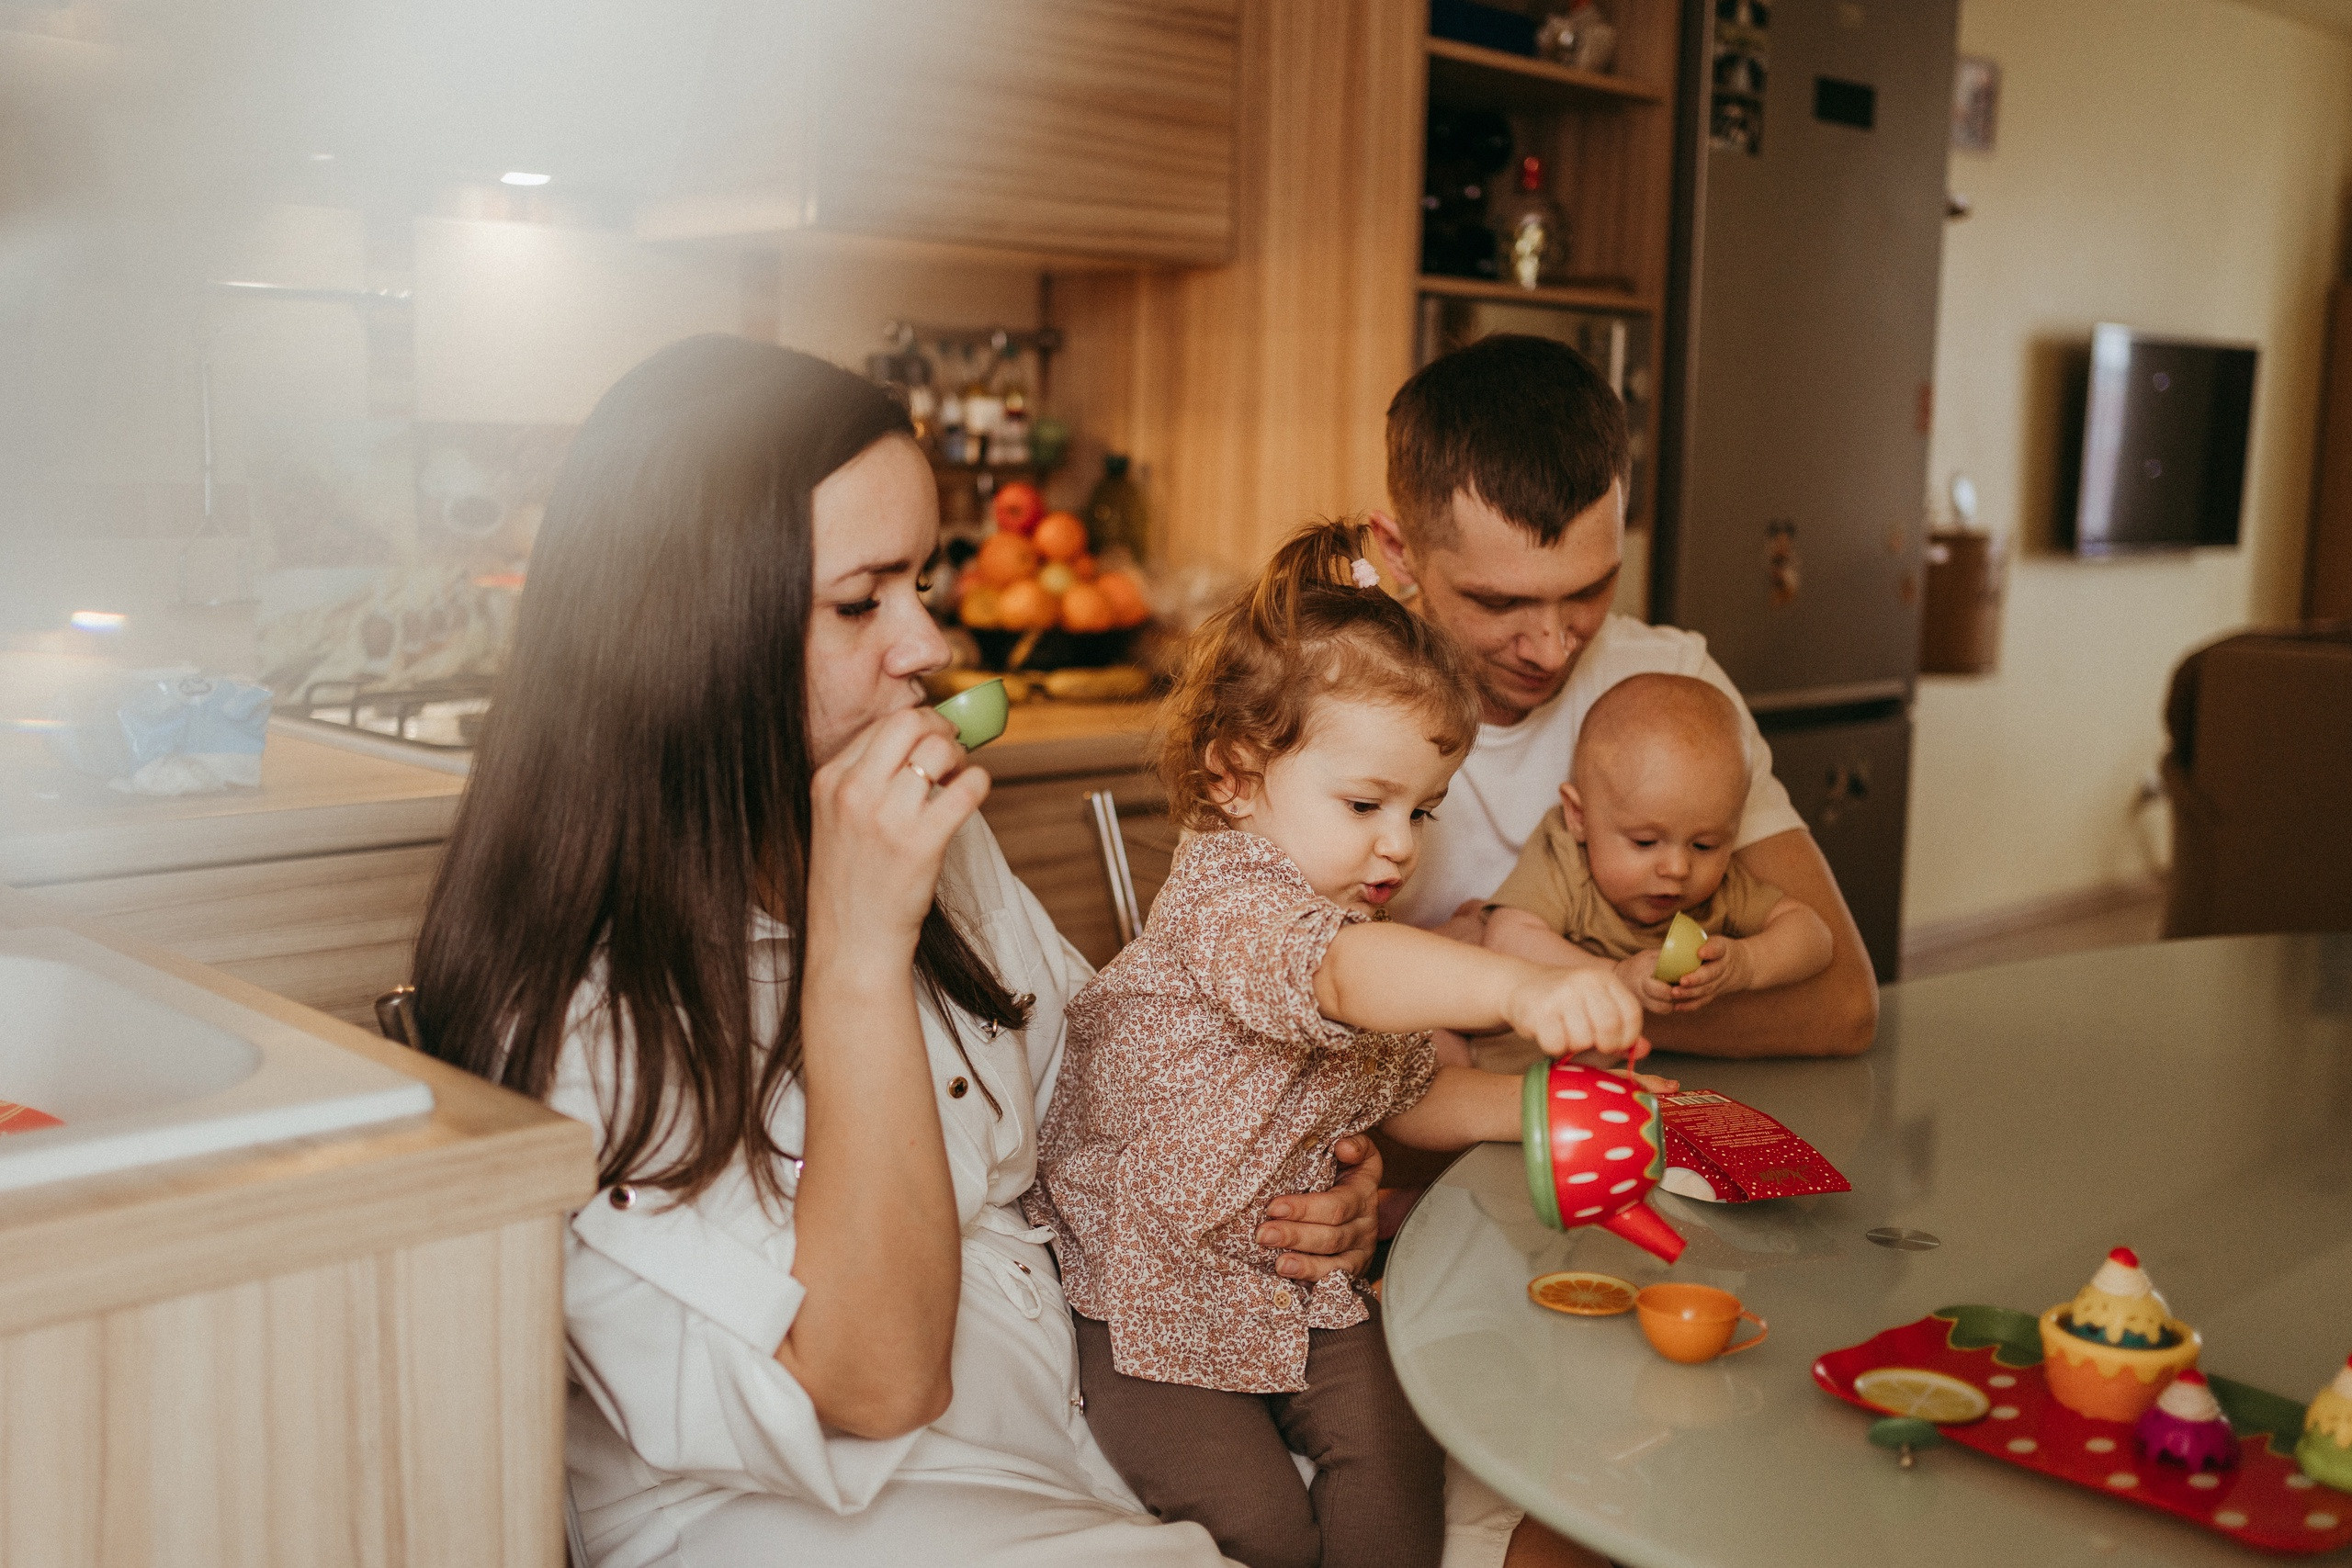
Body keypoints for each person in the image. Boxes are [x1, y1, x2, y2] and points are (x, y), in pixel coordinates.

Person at [408, 337, 1389, 1567]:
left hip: (1078, 1436)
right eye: (860, 600)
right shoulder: (579, 1017)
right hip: (827, 1522)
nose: (928, 643)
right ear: (693, 637)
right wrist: (859, 951)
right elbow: (875, 1381)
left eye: (921, 582)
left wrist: (1282, 1169)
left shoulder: (926, 834)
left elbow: (1111, 1087)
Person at [1024, 522, 1654, 1568]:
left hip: (1292, 1278)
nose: (1399, 844)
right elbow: (1341, 976)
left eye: (1422, 810)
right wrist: (1520, 986)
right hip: (1146, 1290)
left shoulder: (1348, 924)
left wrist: (1562, 1109)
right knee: (1262, 1526)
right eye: (1366, 804)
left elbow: (1408, 1094)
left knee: (1401, 1443)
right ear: (1233, 774)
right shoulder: (1228, 899)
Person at [1366, 333, 1878, 1059]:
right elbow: (1274, 1006)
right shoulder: (1326, 702)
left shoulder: (1675, 687)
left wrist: (1548, 993)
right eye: (1500, 602)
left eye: (1590, 589)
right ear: (1398, 553)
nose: (1551, 648)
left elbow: (1843, 1006)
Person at [1481, 671, 1834, 1012]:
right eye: (1646, 842)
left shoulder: (1722, 891)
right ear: (1579, 817)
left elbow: (1815, 936)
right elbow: (1506, 939)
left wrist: (1747, 963)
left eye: (1704, 845)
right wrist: (1615, 976)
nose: (1678, 869)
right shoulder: (1566, 860)